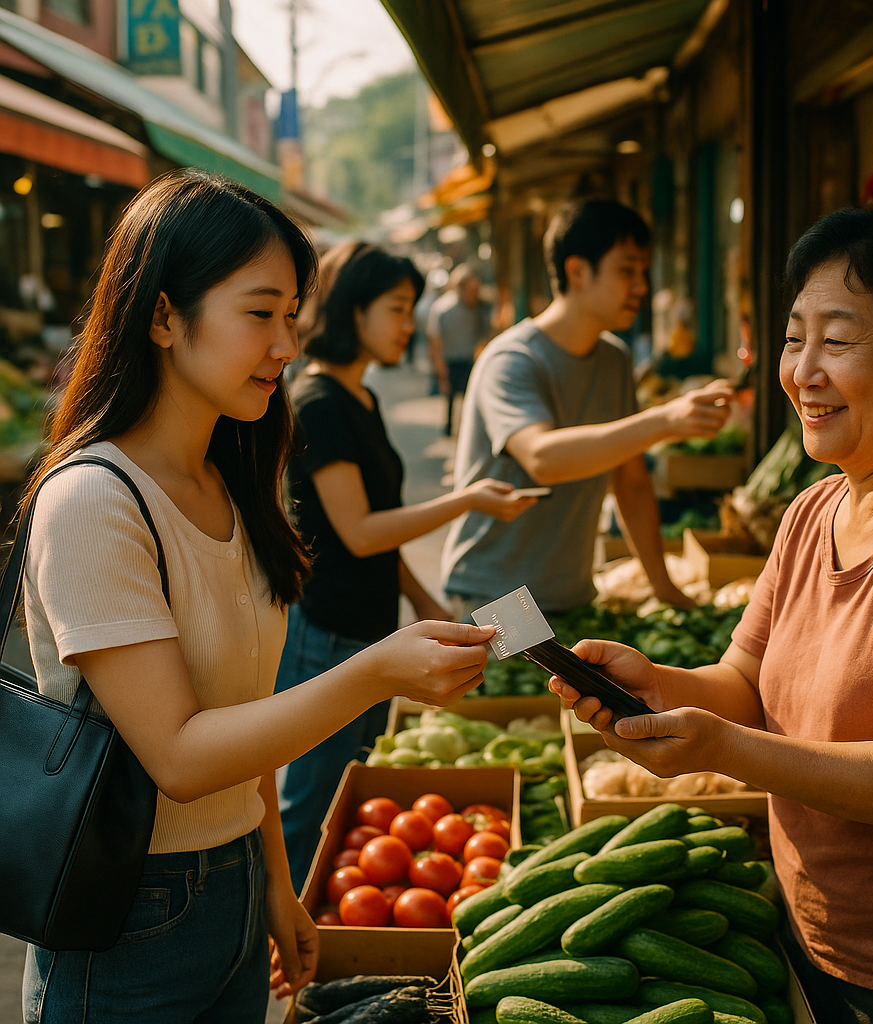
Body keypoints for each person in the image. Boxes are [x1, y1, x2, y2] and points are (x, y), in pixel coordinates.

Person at [20, 171, 498, 1023]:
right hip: (127, 917)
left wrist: (276, 882)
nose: (286, 344)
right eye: (261, 313)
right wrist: (377, 671)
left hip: (236, 884)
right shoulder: (94, 501)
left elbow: (246, 718)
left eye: (293, 315)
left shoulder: (232, 482)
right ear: (162, 316)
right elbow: (180, 756)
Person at [553, 208, 873, 1024]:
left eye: (837, 341)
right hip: (804, 937)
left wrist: (724, 750)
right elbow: (743, 682)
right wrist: (656, 684)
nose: (803, 371)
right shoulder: (812, 513)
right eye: (793, 338)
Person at [274, 241, 536, 895]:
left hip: (366, 632)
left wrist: (421, 598)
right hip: (326, 638)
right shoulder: (319, 403)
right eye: (396, 308)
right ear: (353, 310)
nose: (409, 325)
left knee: (354, 799)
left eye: (411, 309)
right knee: (312, 807)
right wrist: (468, 498)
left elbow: (381, 530)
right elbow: (361, 533)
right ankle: (285, 931)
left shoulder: (359, 397)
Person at [440, 197, 734, 617]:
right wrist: (664, 421)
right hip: (494, 597)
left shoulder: (614, 359)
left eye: (643, 272)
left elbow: (631, 484)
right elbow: (542, 458)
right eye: (627, 271)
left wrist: (663, 588)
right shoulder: (512, 360)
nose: (641, 286)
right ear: (577, 271)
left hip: (573, 597)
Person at [427, 263, 491, 435]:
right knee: (451, 398)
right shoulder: (443, 309)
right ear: (460, 287)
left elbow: (485, 333)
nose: (474, 294)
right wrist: (440, 369)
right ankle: (449, 427)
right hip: (451, 360)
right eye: (471, 290)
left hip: (471, 359)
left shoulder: (479, 308)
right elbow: (435, 341)